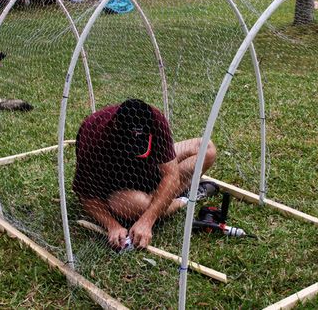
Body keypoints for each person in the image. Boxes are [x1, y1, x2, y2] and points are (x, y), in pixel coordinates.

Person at [72, 98, 217, 250]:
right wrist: (112, 226)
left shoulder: (155, 119)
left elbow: (171, 175)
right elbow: (85, 196)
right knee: (132, 206)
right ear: (115, 127)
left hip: (150, 172)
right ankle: (183, 199)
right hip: (121, 193)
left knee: (206, 149)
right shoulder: (93, 137)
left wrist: (147, 220)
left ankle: (162, 197)